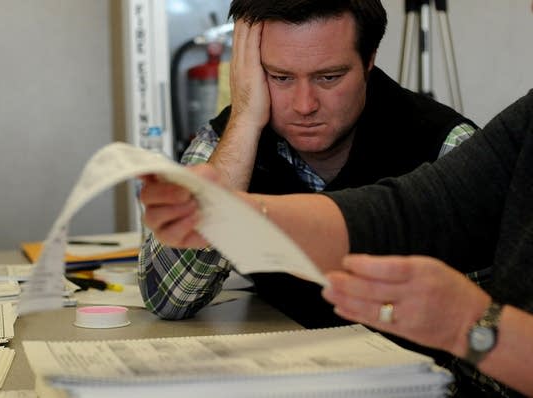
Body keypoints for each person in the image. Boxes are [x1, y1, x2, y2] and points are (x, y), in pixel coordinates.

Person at [139, 0, 477, 329]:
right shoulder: (227, 141)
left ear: (369, 60)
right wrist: (244, 120)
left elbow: (489, 321)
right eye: (280, 77)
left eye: (329, 77)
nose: (304, 105)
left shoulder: (446, 145)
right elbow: (168, 298)